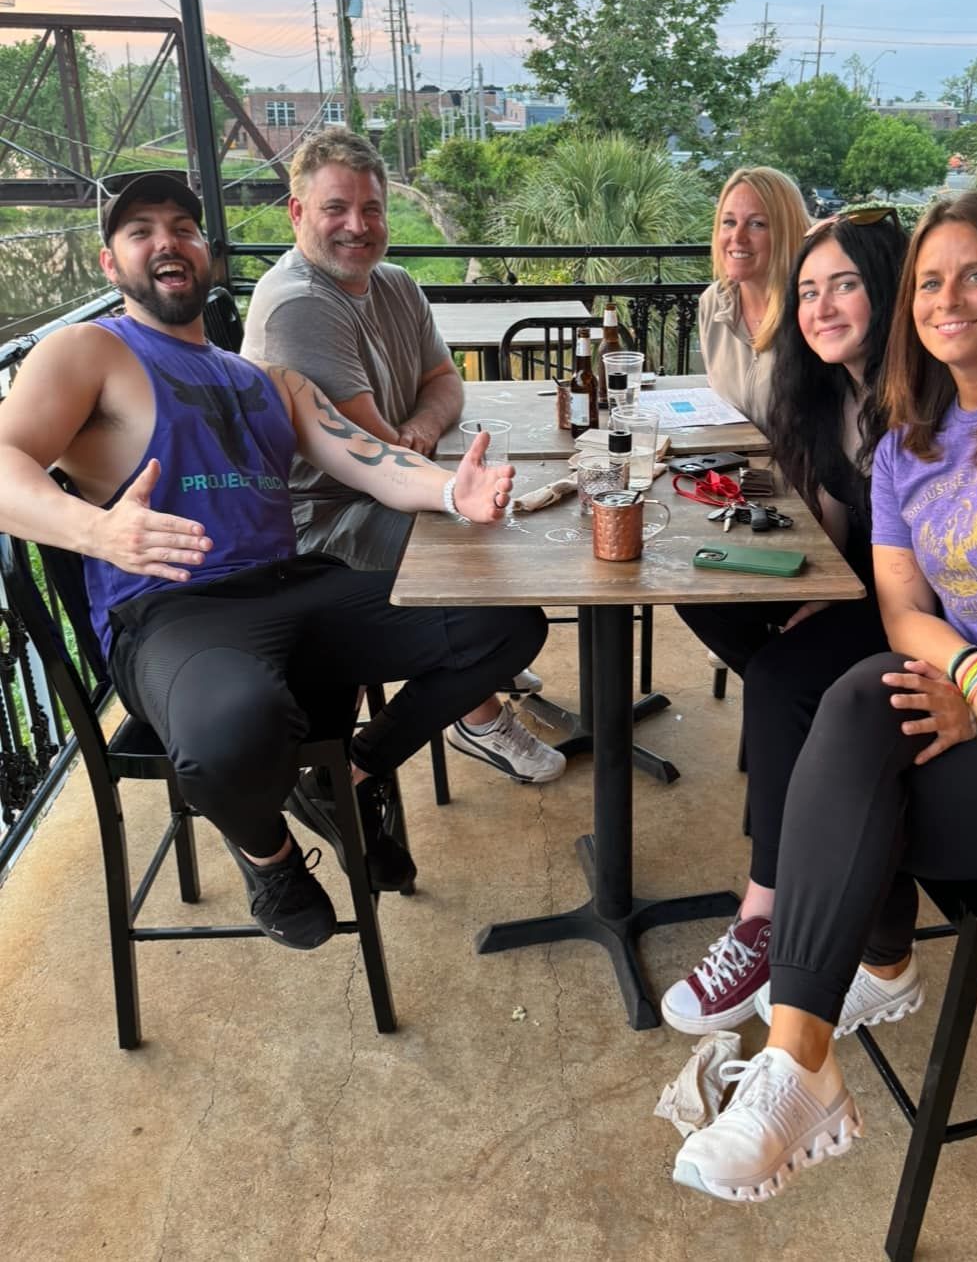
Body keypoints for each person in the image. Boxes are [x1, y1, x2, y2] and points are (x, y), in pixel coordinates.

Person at [672, 190, 977, 1203]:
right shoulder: (910, 442)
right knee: (862, 696)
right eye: (931, 282)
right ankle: (801, 1060)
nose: (949, 298)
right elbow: (904, 610)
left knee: (846, 807)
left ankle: (814, 1036)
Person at [0, 169, 548, 951]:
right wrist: (94, 532)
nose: (167, 242)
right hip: (176, 614)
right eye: (141, 231)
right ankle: (272, 857)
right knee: (232, 731)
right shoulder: (88, 350)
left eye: (183, 227)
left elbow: (371, 462)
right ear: (109, 263)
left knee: (503, 624)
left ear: (207, 255)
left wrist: (455, 494)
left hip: (297, 591)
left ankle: (350, 774)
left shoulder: (270, 382)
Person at [242, 129, 563, 786]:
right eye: (336, 208)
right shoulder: (299, 304)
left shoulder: (393, 283)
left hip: (377, 490)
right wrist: (410, 444)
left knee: (504, 534)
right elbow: (374, 451)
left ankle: (473, 666)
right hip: (319, 527)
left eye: (372, 208)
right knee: (494, 585)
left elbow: (446, 381)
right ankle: (475, 713)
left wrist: (418, 425)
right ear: (298, 214)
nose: (358, 226)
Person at [663, 209, 909, 1032]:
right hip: (870, 584)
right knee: (704, 589)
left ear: (889, 288)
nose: (821, 307)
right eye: (809, 291)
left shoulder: (925, 391)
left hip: (935, 609)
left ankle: (760, 916)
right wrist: (805, 589)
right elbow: (838, 521)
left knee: (780, 677)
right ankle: (811, 770)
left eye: (845, 285)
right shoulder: (831, 388)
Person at [695, 166, 810, 434]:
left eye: (757, 224)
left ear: (786, 232)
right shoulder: (713, 303)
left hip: (799, 474)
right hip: (732, 468)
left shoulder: (811, 309)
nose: (737, 238)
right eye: (729, 222)